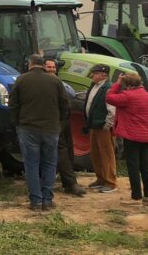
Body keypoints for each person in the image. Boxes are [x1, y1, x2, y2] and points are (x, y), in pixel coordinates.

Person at [8, 54, 70, 211]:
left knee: (31, 164)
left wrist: (17, 123)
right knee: (49, 163)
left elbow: (13, 104)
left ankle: (35, 201)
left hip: (28, 128)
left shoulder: (21, 80)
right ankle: (47, 200)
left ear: (30, 64)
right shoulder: (55, 81)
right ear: (43, 65)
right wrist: (58, 123)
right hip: (51, 129)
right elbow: (65, 105)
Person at [106, 72, 148, 205]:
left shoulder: (128, 96)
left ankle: (136, 197)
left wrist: (117, 83)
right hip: (146, 135)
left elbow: (110, 98)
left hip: (132, 135)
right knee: (144, 165)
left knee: (133, 165)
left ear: (128, 85)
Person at [44, 58, 87, 197]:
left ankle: (68, 182)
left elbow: (71, 94)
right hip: (47, 122)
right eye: (48, 67)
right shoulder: (41, 83)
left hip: (60, 121)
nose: (51, 69)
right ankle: (66, 183)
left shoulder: (59, 83)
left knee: (65, 151)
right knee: (59, 151)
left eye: (53, 67)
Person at [83, 64, 117, 193]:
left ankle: (110, 182)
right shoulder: (95, 86)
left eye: (95, 73)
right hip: (94, 125)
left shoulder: (108, 88)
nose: (92, 75)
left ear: (103, 75)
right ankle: (101, 178)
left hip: (103, 127)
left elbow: (112, 110)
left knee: (106, 154)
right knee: (96, 154)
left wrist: (107, 125)